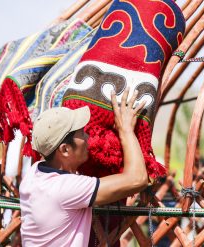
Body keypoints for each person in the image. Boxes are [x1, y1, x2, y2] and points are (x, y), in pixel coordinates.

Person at [19, 88, 148, 246]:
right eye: (81, 133)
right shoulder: (65, 188)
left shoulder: (34, 174)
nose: (88, 137)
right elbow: (138, 179)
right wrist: (126, 129)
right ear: (65, 149)